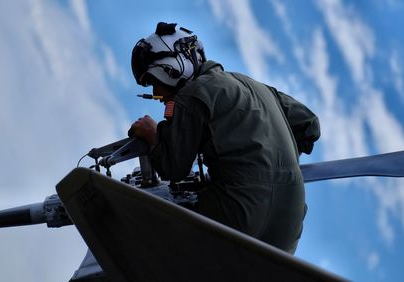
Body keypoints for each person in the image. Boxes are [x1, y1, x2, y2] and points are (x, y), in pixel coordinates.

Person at [129, 22, 320, 254]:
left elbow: (172, 167)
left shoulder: (191, 95)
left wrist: (152, 134)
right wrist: (275, 163)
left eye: (155, 84)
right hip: (290, 222)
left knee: (150, 231)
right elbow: (309, 124)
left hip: (238, 215)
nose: (157, 96)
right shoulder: (253, 85)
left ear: (171, 70)